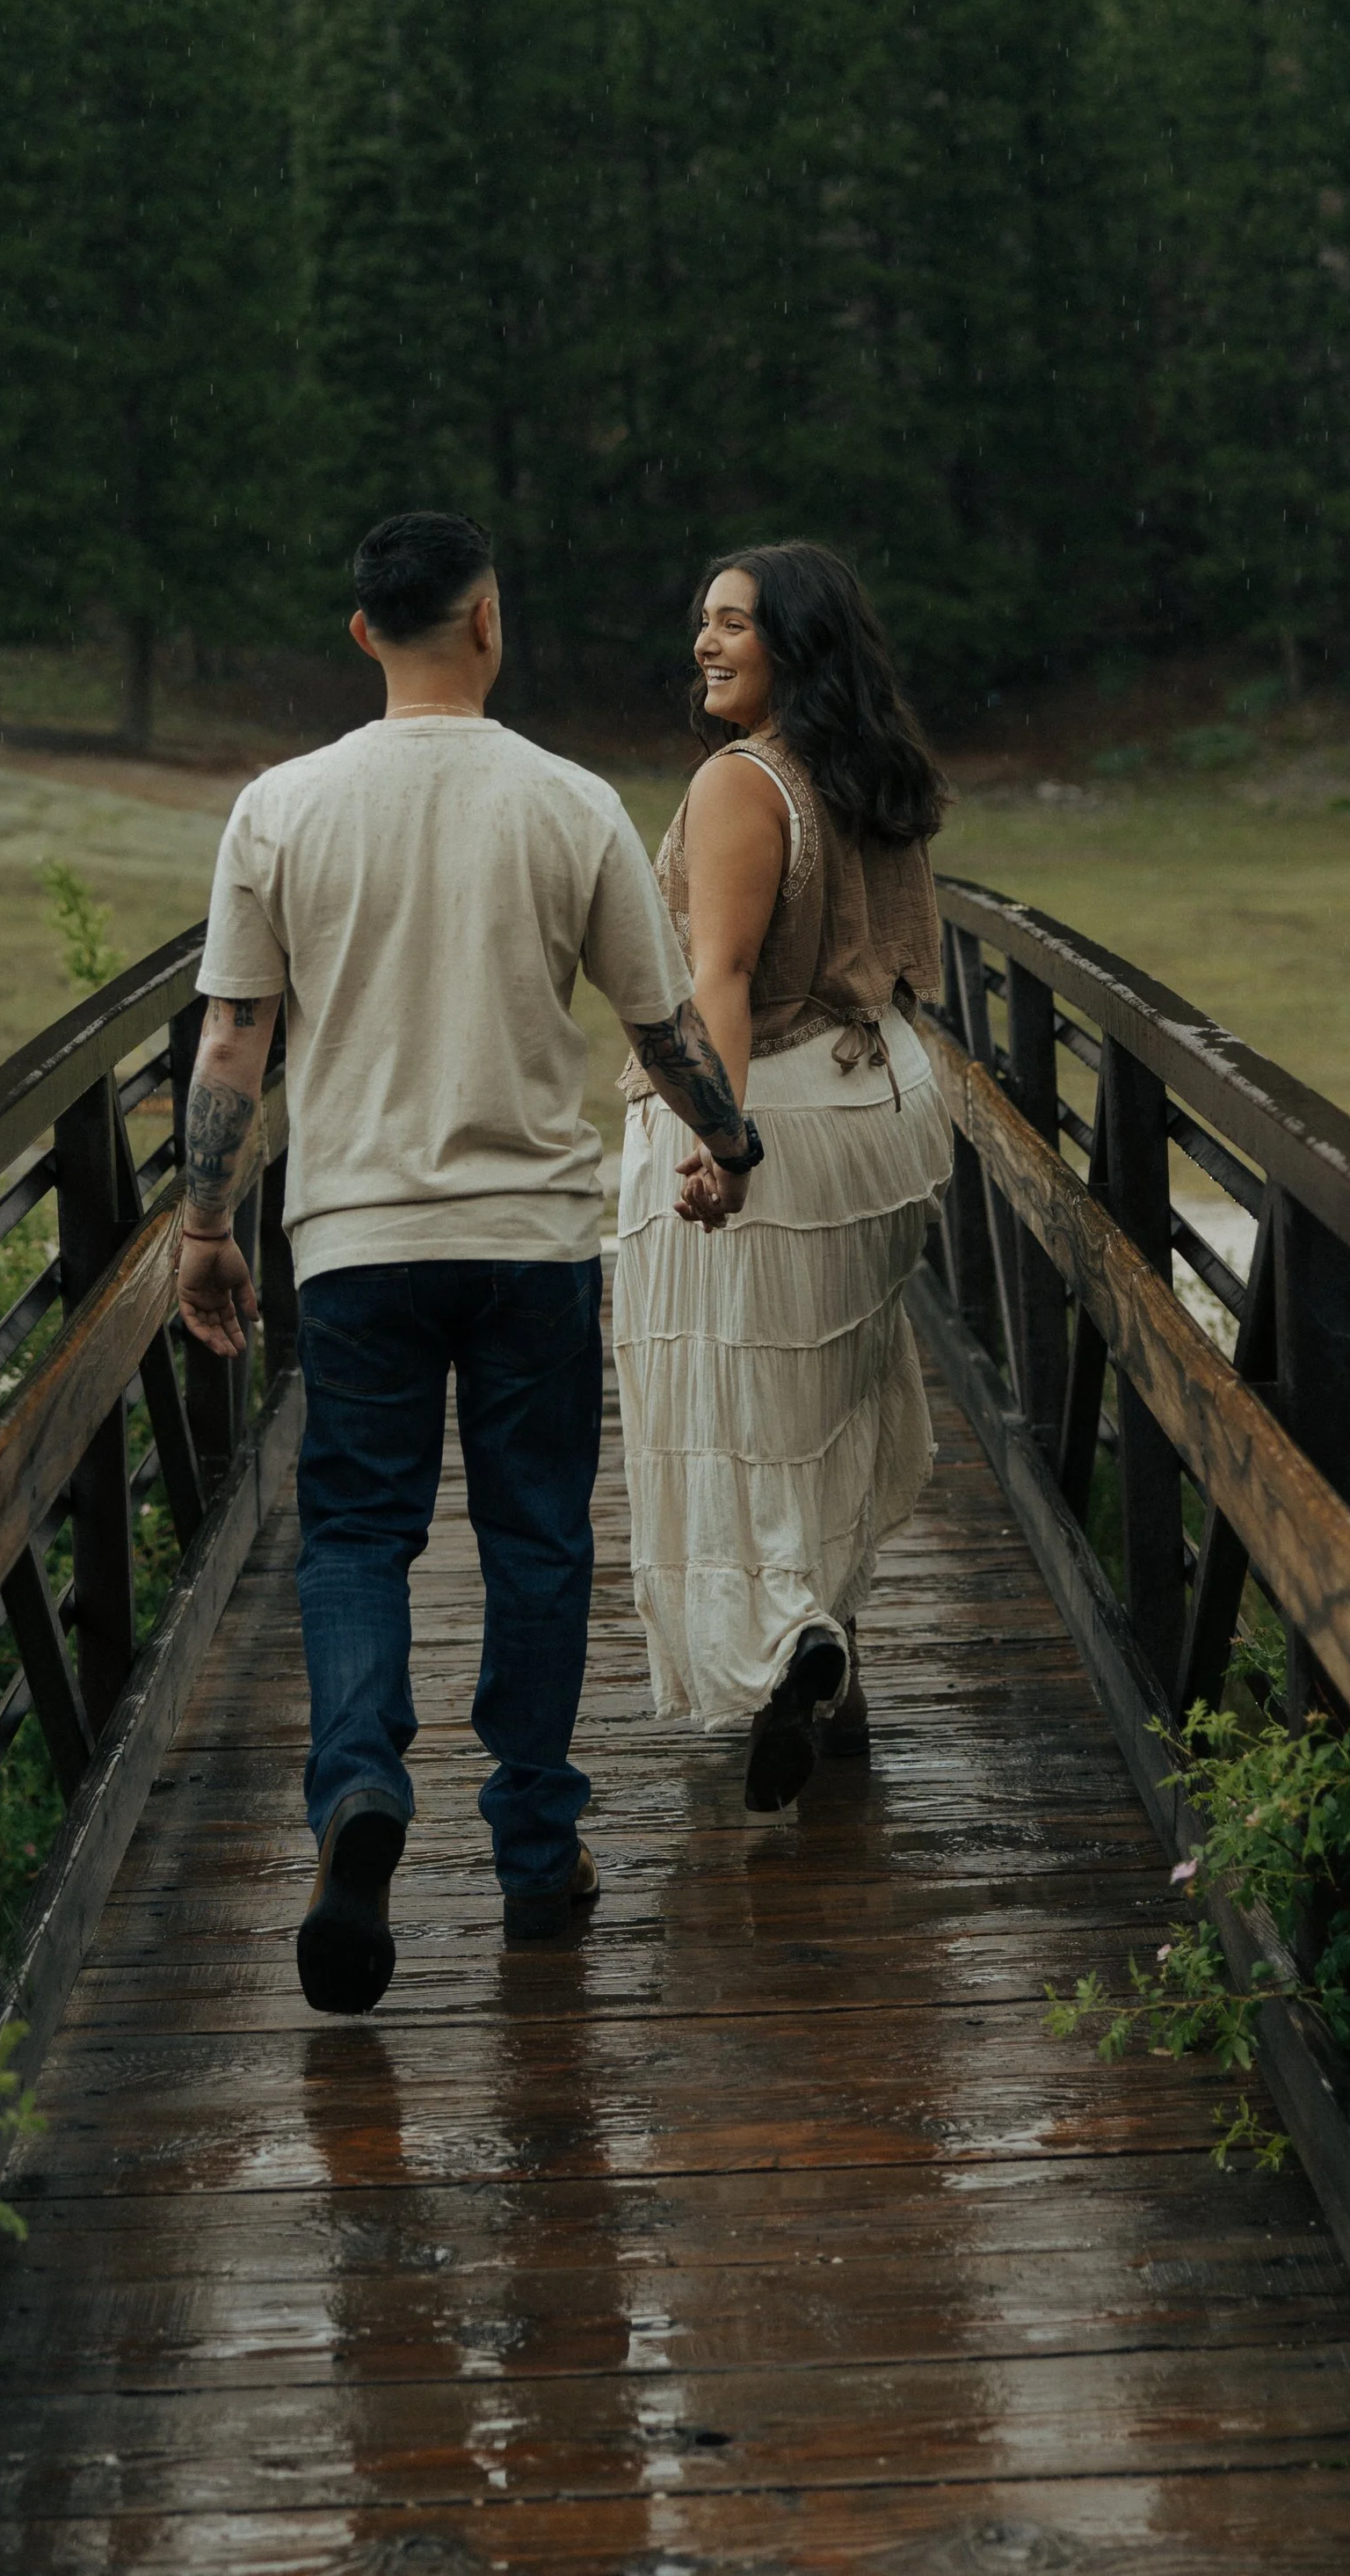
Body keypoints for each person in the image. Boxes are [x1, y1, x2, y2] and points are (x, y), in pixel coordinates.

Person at [174, 511, 762, 2018]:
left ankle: (360, 1788)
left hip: (356, 1241)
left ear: (363, 633)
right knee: (536, 1540)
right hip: (531, 1244)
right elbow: (660, 1026)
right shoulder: (570, 802)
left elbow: (233, 1041)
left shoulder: (279, 807)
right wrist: (731, 1142)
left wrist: (205, 1225)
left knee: (356, 1536)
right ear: (489, 622)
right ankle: (536, 1855)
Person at [613, 540, 954, 1814]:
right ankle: (833, 1677)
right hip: (885, 1110)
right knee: (828, 1401)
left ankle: (790, 1641)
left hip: (780, 1118)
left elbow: (725, 978)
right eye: (703, 620)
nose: (705, 643)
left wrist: (720, 1141)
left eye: (734, 623)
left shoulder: (741, 782)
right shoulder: (871, 771)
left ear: (793, 645)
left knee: (737, 1410)